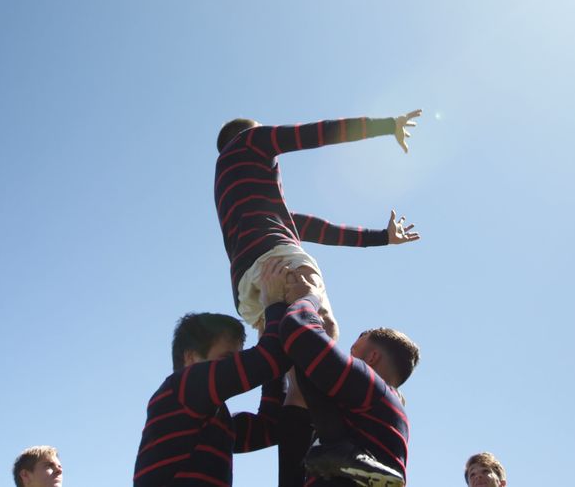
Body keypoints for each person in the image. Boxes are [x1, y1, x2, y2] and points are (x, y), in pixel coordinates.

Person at [214, 111, 422, 333]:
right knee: (323, 326)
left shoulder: (241, 202)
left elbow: (318, 229)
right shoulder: (251, 140)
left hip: (245, 290)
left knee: (278, 352)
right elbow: (316, 133)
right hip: (277, 259)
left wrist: (383, 237)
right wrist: (387, 125)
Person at [266, 260, 420, 486]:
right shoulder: (367, 417)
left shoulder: (374, 389)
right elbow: (295, 420)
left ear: (372, 358)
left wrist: (309, 296)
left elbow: (299, 332)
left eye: (352, 351)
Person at [133, 306, 292, 486]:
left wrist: (271, 356)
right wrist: (275, 304)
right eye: (227, 358)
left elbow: (271, 427)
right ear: (191, 358)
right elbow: (268, 359)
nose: (236, 365)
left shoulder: (216, 422)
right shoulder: (182, 386)